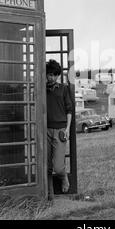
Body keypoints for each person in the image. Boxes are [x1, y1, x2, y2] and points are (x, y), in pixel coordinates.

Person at [46, 59, 73, 201]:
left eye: (53, 75)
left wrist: (68, 129)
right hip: (45, 130)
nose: (50, 77)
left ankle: (64, 178)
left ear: (57, 75)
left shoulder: (63, 89)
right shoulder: (42, 89)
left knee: (58, 167)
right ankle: (50, 195)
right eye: (48, 74)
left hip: (60, 130)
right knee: (46, 166)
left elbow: (69, 110)